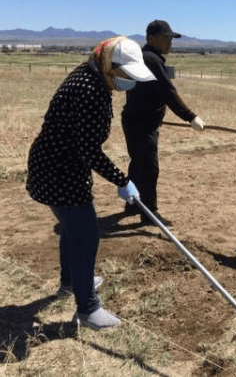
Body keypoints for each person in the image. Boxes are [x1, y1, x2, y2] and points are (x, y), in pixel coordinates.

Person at [26, 36, 155, 330]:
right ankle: (88, 308)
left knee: (74, 230)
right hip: (60, 171)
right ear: (111, 65)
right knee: (85, 235)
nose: (129, 82)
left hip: (56, 165)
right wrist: (122, 180)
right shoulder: (89, 90)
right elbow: (88, 149)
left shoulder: (91, 78)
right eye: (127, 75)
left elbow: (83, 145)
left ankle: (72, 282)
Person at [122, 20, 205, 227]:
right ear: (152, 38)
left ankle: (133, 203)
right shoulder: (151, 59)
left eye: (170, 38)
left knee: (138, 163)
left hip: (136, 119)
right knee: (149, 167)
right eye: (166, 38)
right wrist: (190, 116)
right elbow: (167, 92)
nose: (170, 42)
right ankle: (149, 213)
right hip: (142, 123)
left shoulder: (146, 57)